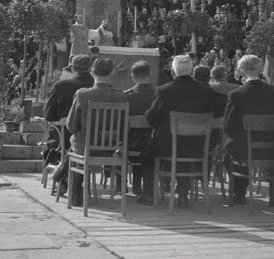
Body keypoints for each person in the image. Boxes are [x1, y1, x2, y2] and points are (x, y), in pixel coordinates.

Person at [142, 55, 225, 207]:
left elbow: (152, 119)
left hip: (169, 146)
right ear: (192, 70)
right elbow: (219, 112)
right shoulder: (206, 92)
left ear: (173, 71)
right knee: (186, 146)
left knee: (148, 153)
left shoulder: (163, 91)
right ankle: (182, 196)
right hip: (199, 147)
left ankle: (148, 194)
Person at [224, 54, 274, 206]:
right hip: (269, 149)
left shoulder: (236, 95)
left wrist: (240, 138)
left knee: (229, 153)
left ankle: (239, 193)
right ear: (260, 69)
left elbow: (228, 125)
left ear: (241, 70)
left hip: (243, 148)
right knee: (235, 150)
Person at [65, 58, 128, 206]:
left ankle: (73, 191)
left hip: (84, 147)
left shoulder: (82, 95)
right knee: (76, 145)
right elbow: (127, 127)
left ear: (92, 72)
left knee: (73, 145)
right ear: (112, 73)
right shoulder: (121, 96)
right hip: (110, 148)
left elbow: (71, 126)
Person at [125, 60, 155, 196]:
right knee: (145, 139)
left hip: (129, 145)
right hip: (153, 144)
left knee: (130, 136)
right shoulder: (158, 96)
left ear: (133, 76)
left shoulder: (127, 96)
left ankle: (123, 185)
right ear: (150, 75)